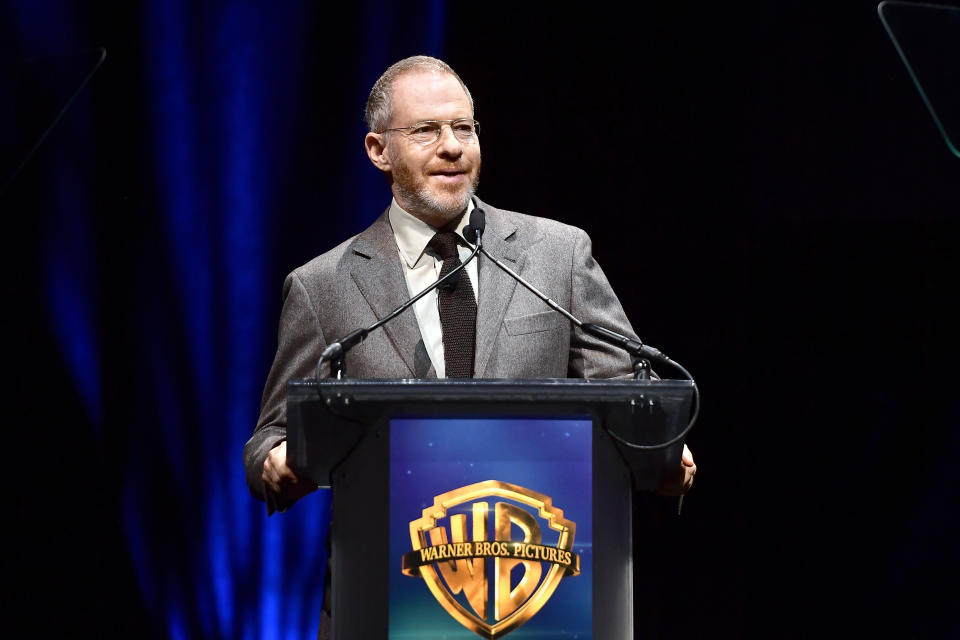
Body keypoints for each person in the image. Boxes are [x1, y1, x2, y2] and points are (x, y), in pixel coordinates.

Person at [244, 55, 696, 514]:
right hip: (386, 569)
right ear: (378, 150)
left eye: (464, 128)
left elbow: (628, 388)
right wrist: (274, 461)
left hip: (538, 561)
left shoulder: (558, 254)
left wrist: (660, 441)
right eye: (426, 131)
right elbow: (271, 435)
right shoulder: (321, 286)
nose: (452, 147)